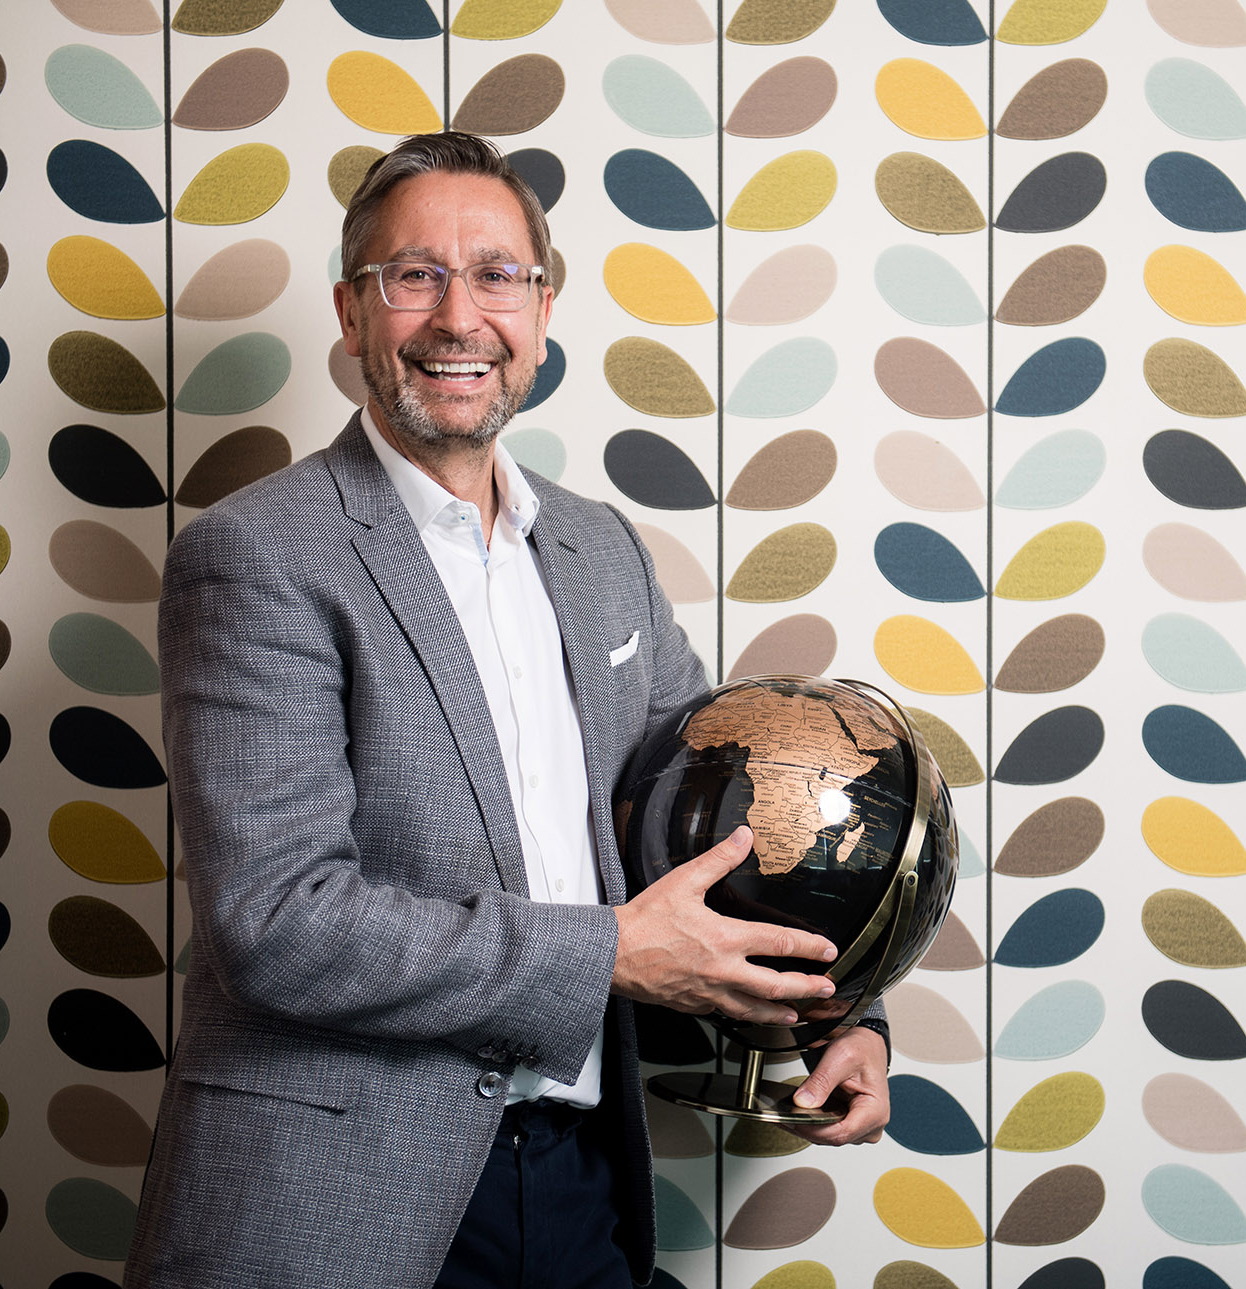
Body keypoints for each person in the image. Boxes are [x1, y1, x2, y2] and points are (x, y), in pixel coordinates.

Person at [123, 132, 890, 1289]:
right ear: (352, 308)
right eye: (413, 275)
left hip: (584, 1182)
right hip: (336, 1195)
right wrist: (609, 953)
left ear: (541, 307)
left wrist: (839, 1016)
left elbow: (717, 831)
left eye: (496, 275)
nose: (456, 316)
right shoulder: (254, 556)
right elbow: (276, 920)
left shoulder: (599, 551)